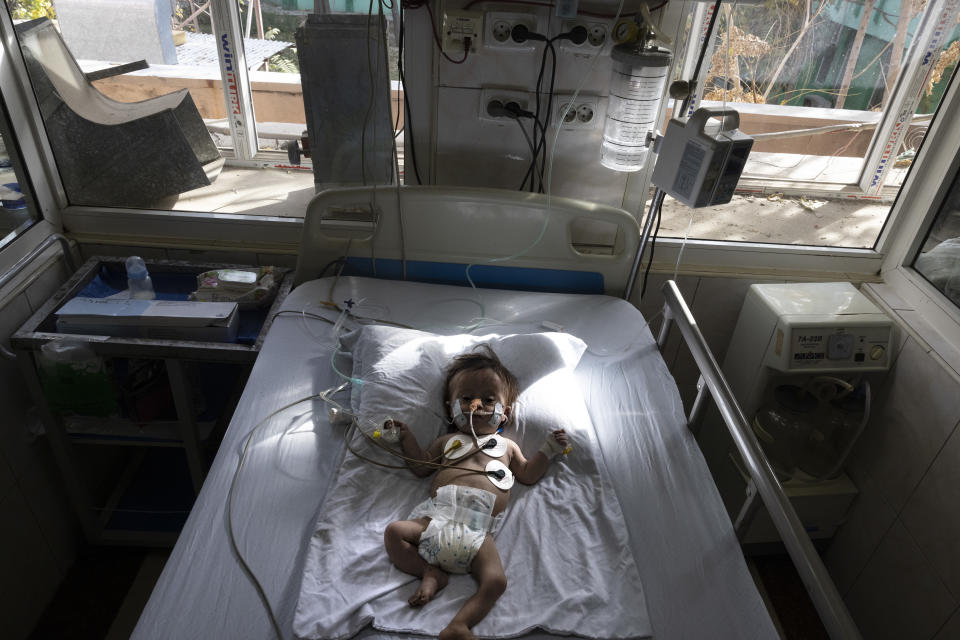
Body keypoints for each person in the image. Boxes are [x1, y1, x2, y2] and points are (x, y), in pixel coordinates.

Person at [382, 346, 569, 640]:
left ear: (505, 413)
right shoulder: (448, 441)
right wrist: (406, 438)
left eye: (489, 399)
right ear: (450, 408)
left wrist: (548, 449)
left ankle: (459, 625)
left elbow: (529, 474)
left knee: (495, 582)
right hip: (437, 518)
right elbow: (420, 467)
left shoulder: (508, 447)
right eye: (466, 398)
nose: (476, 405)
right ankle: (429, 573)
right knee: (394, 532)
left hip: (479, 531)